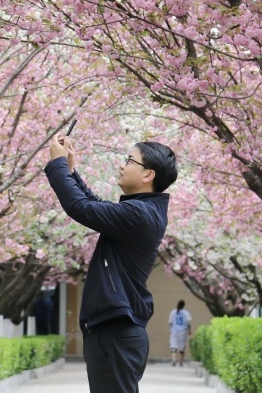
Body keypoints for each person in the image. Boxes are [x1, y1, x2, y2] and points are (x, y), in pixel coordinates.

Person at [45, 136, 177, 393]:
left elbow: (80, 207)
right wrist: (70, 171)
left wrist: (58, 163)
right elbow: (93, 204)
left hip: (116, 333)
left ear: (148, 174)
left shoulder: (139, 214)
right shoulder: (142, 211)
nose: (122, 165)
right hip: (118, 333)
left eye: (129, 160)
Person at [168, 300, 192, 366]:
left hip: (174, 331)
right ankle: (181, 362)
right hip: (183, 331)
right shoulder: (186, 313)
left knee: (173, 345)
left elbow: (170, 322)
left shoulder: (173, 312)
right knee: (182, 346)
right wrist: (189, 330)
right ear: (183, 305)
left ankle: (174, 359)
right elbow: (188, 323)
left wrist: (172, 329)